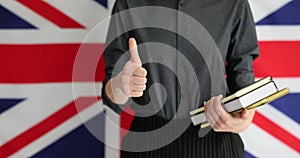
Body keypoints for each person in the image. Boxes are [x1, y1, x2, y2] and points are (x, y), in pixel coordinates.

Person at [102, 0, 259, 157]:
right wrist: (121, 85)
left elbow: (243, 80)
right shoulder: (129, 2)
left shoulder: (234, 3)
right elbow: (111, 93)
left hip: (215, 140)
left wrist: (241, 122)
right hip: (148, 142)